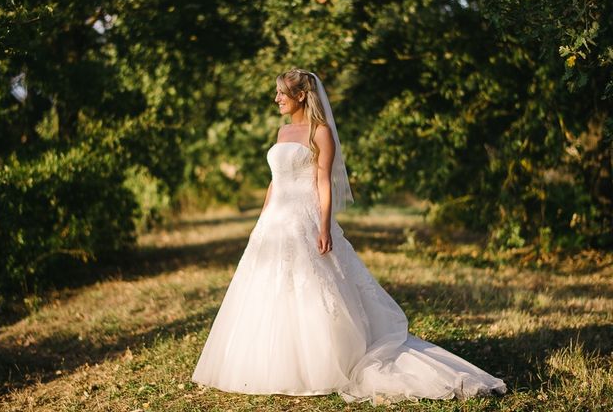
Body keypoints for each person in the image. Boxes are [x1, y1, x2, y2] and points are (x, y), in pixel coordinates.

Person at [191, 68, 507, 404]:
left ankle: (324, 364)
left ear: (300, 95)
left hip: (305, 218)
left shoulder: (321, 132)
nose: (276, 99)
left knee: (312, 289)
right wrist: (262, 220)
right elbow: (275, 180)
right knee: (269, 288)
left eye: (282, 93)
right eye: (277, 93)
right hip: (275, 222)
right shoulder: (282, 132)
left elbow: (323, 182)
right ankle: (267, 364)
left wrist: (325, 226)